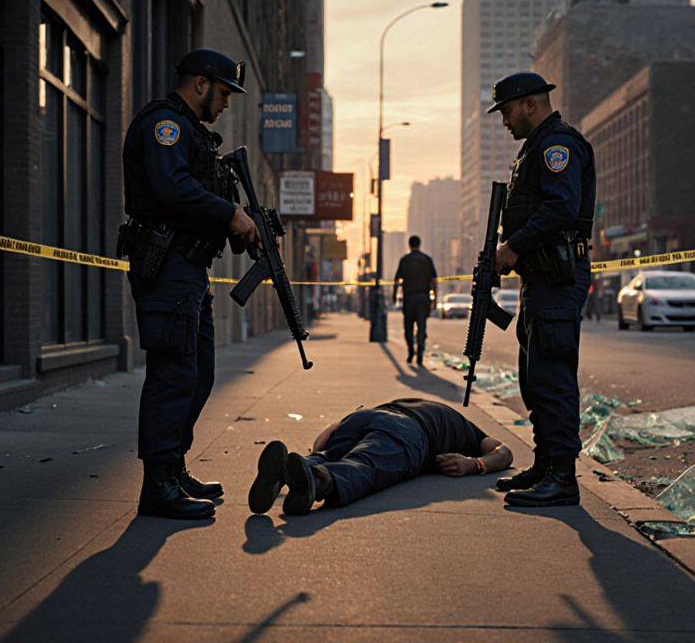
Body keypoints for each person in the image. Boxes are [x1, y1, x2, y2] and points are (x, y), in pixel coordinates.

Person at [120, 49, 261, 520]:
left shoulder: (193, 133)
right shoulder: (166, 125)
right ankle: (157, 486)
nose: (226, 103)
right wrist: (231, 214)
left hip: (190, 269)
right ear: (200, 83)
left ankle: (173, 468)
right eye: (223, 92)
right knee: (173, 374)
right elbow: (171, 188)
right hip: (168, 267)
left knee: (198, 375)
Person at [488, 72, 595, 508]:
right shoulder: (533, 149)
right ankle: (546, 463)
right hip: (540, 278)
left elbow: (561, 208)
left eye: (508, 111)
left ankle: (564, 478)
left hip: (557, 278)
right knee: (535, 380)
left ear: (530, 104)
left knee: (552, 377)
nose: (505, 122)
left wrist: (513, 245)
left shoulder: (557, 146)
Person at [248, 398, 514, 515]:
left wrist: (318, 451)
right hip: (409, 430)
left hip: (364, 415)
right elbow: (504, 451)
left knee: (330, 454)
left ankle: (297, 467)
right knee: (366, 463)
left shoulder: (416, 403)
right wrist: (476, 465)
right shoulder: (466, 430)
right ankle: (319, 481)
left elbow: (329, 433)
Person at [392, 235, 438, 365]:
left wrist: (394, 296)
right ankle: (420, 354)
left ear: (409, 245)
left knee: (408, 326)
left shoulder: (405, 260)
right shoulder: (427, 260)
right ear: (420, 244)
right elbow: (434, 281)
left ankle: (411, 350)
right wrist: (435, 298)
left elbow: (397, 280)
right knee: (421, 325)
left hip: (409, 297)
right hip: (423, 297)